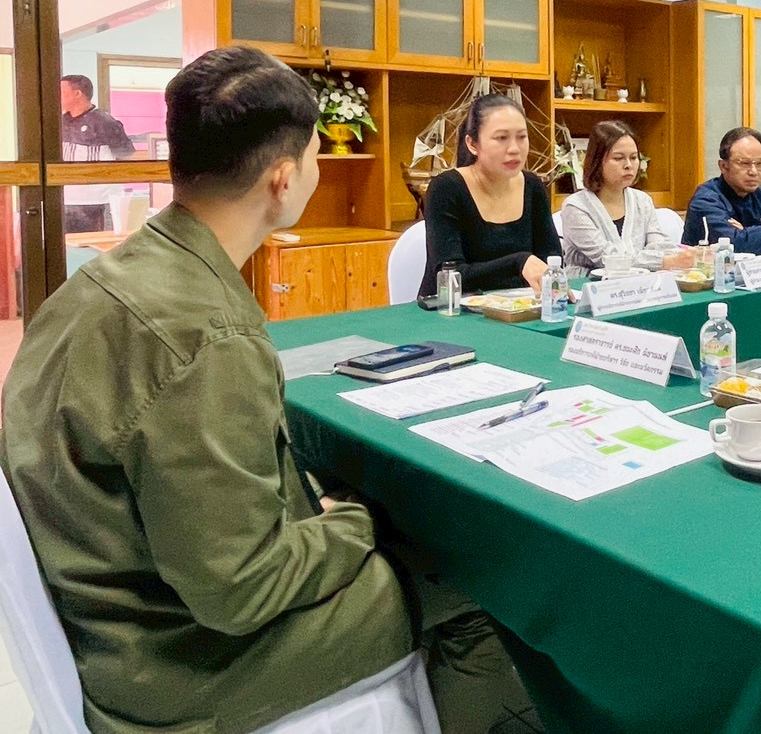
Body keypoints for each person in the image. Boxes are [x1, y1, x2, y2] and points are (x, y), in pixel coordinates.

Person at [2, 47, 509, 734]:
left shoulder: (98, 282)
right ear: (283, 179)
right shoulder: (208, 338)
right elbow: (242, 589)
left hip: (115, 613)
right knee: (478, 583)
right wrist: (354, 520)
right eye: (316, 155)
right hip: (185, 664)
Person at [420, 92, 559, 296]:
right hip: (452, 309)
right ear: (472, 144)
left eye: (522, 137)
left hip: (520, 305)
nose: (514, 149)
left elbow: (552, 259)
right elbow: (450, 276)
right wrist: (518, 263)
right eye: (501, 138)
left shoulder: (532, 186)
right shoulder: (447, 188)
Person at [559, 119, 668, 276]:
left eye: (634, 157)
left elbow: (659, 245)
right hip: (588, 286)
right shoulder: (576, 206)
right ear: (597, 162)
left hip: (640, 285)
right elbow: (609, 259)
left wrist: (680, 255)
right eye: (618, 158)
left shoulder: (642, 201)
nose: (628, 165)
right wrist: (661, 261)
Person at [681, 126, 761, 253]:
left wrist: (749, 234)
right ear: (723, 166)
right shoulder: (706, 200)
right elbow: (734, 246)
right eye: (744, 163)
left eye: (759, 164)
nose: (753, 172)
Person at [60, 73, 137, 233]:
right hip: (67, 200)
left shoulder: (105, 122)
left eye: (62, 92)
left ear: (77, 93)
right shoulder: (61, 122)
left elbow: (126, 154)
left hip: (98, 201)